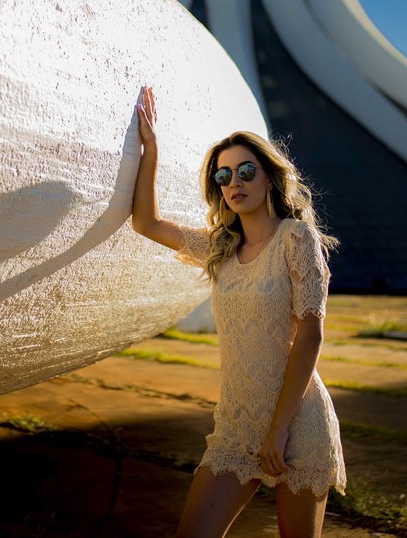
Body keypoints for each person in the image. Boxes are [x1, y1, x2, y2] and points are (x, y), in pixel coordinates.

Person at [130, 86, 346, 538]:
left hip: (296, 424)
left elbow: (310, 336)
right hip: (236, 424)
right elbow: (146, 223)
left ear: (269, 176)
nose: (234, 183)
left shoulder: (295, 238)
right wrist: (151, 150)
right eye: (223, 176)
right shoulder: (220, 247)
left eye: (246, 170)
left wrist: (279, 430)